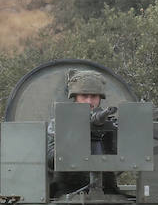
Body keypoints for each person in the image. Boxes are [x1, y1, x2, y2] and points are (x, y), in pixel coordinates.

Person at [46, 69, 118, 197]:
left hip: (106, 190)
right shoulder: (59, 123)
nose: (89, 101)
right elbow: (51, 159)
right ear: (75, 97)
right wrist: (74, 139)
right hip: (67, 191)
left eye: (94, 96)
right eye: (84, 96)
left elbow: (124, 160)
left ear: (100, 98)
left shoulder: (110, 124)